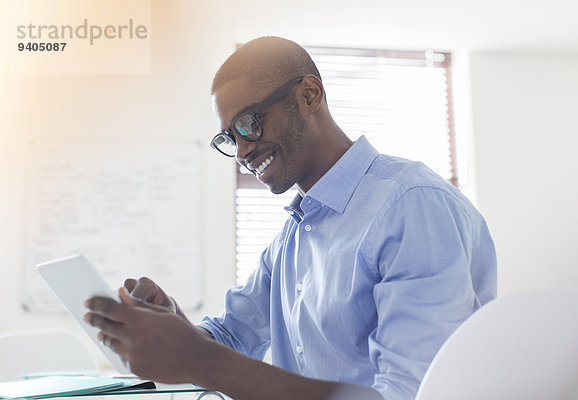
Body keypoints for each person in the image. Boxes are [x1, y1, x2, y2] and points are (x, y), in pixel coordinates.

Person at [84, 36, 497, 400]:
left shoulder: (411, 205)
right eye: (230, 137)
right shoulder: (293, 236)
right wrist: (171, 325)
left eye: (249, 123)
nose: (242, 151)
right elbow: (230, 337)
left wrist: (200, 361)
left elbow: (413, 395)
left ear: (310, 95)